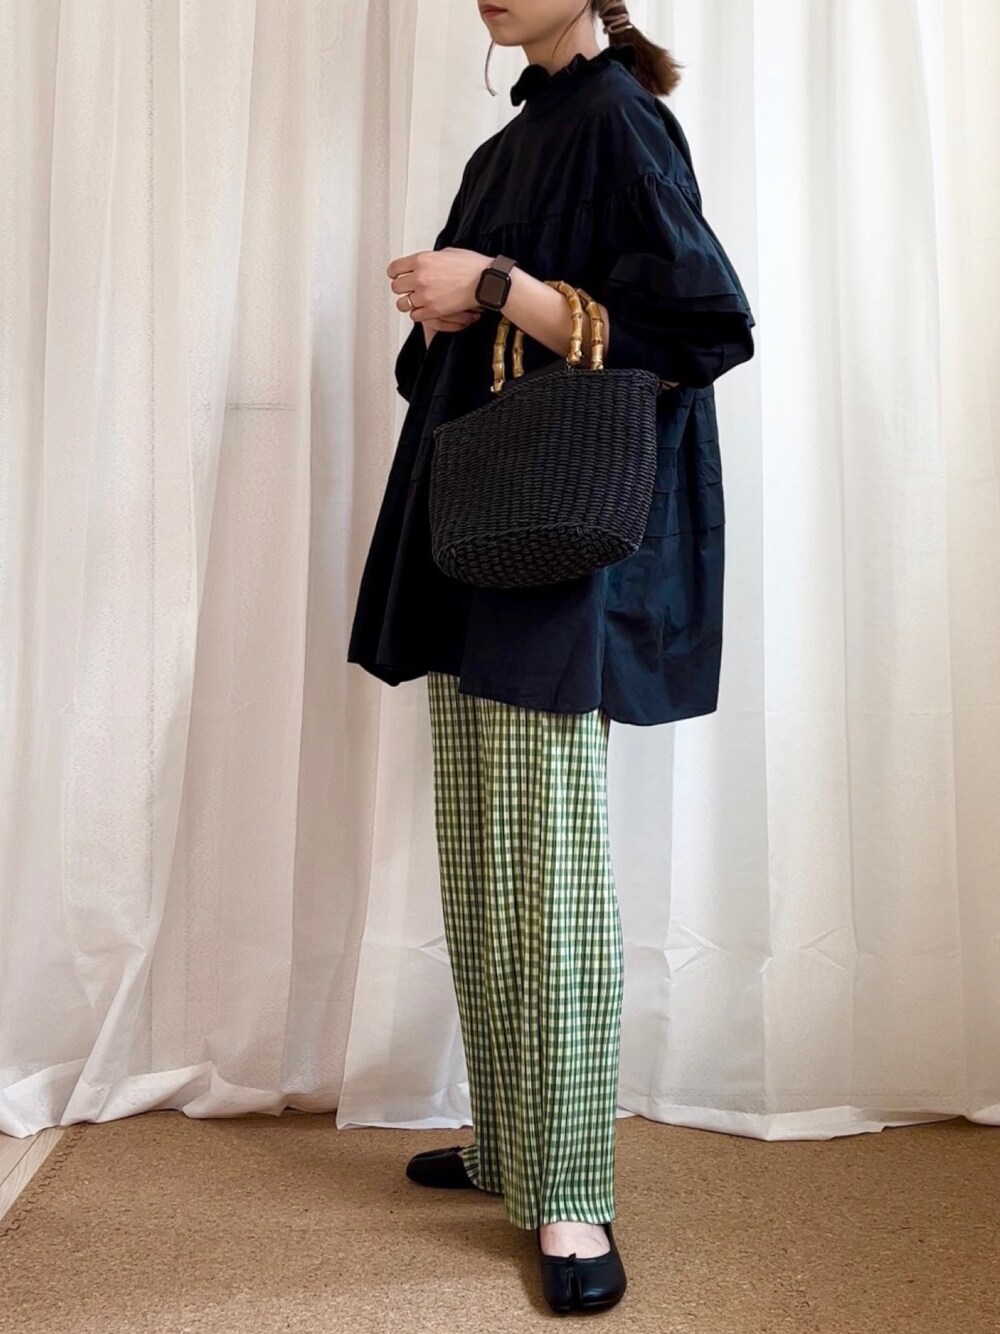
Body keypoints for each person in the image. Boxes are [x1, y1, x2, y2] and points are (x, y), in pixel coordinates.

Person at [347, 0, 755, 1315]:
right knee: (483, 855)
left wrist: (494, 287)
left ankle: (572, 1190)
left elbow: (701, 327)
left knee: (551, 870)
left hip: (552, 543)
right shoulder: (511, 142)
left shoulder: (622, 120)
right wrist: (447, 308)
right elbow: (468, 348)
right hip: (475, 521)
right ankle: (511, 1143)